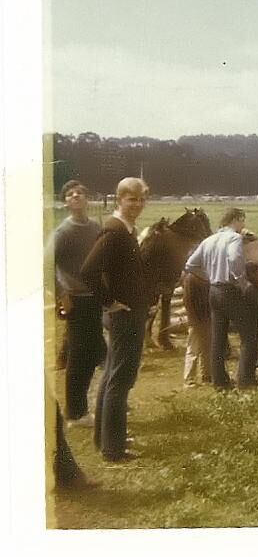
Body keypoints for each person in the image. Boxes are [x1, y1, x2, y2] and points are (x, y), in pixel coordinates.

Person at [80, 177, 151, 462]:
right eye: (132, 199)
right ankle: (113, 448)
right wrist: (109, 302)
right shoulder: (115, 232)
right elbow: (88, 270)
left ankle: (107, 438)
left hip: (130, 312)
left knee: (112, 374)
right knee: (120, 379)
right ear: (119, 199)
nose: (137, 204)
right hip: (125, 315)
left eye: (141, 199)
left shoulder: (126, 230)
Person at [48, 179, 106, 425]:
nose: (77, 196)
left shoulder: (95, 227)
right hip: (76, 301)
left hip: (95, 298)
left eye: (81, 193)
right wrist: (62, 295)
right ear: (65, 203)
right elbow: (44, 267)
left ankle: (102, 403)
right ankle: (75, 413)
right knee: (79, 356)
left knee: (95, 352)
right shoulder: (62, 232)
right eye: (71, 194)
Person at [185, 208, 256, 390]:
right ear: (237, 219)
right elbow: (234, 259)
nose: (243, 225)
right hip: (229, 290)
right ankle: (245, 380)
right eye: (242, 220)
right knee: (249, 335)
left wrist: (209, 276)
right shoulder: (234, 238)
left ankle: (219, 381)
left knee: (218, 337)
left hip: (214, 291)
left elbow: (191, 264)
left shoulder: (209, 240)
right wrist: (242, 282)